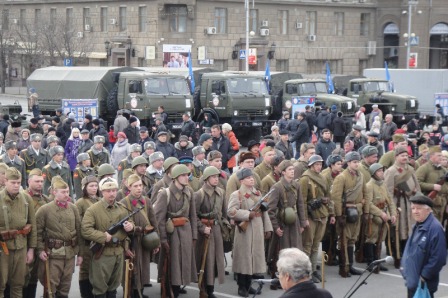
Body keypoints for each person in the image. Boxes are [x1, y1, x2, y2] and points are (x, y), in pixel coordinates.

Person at [81, 177, 135, 298]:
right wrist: (102, 236)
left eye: (114, 190)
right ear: (102, 192)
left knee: (113, 287)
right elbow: (85, 230)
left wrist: (131, 227)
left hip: (119, 252)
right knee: (100, 288)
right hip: (102, 253)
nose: (111, 193)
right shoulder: (93, 210)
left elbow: (131, 223)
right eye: (108, 191)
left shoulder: (122, 208)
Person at [227, 168, 273, 297]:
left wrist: (268, 228)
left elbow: (265, 213)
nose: (251, 179)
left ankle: (249, 285)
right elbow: (230, 211)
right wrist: (247, 214)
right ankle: (242, 286)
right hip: (245, 231)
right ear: (241, 180)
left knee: (254, 259)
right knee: (244, 259)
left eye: (251, 177)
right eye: (248, 178)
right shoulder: (237, 195)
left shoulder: (258, 193)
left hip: (257, 228)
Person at [154, 164, 198, 298]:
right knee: (171, 266)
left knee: (183, 263)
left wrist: (194, 235)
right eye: (183, 175)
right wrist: (162, 239)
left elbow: (193, 215)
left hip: (185, 232)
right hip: (171, 235)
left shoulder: (189, 192)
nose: (186, 178)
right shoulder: (164, 193)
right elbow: (159, 219)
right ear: (175, 177)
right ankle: (169, 290)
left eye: (187, 175)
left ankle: (177, 288)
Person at [35, 176, 82, 298]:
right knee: (50, 287)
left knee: (66, 286)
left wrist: (80, 254)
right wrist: (40, 250)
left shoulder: (73, 208)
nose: (66, 194)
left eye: (67, 191)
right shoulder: (44, 210)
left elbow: (79, 231)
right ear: (54, 192)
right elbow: (37, 232)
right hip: (53, 254)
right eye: (63, 192)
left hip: (70, 254)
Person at [267, 160, 307, 287]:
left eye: (293, 169)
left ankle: (292, 279)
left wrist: (302, 222)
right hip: (282, 223)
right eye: (289, 170)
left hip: (293, 222)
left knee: (294, 251)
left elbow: (301, 204)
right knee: (281, 252)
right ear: (283, 172)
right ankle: (277, 279)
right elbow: (271, 209)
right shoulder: (277, 187)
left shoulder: (297, 185)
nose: (292, 171)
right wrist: (275, 227)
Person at [0, 167, 37, 297]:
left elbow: (33, 226)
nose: (16, 185)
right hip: (2, 248)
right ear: (5, 181)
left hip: (21, 247)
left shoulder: (27, 199)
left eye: (18, 183)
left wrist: (31, 249)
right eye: (13, 182)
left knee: (18, 284)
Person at [120, 174, 159, 298]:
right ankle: (132, 293)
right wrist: (126, 247)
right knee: (132, 269)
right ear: (129, 187)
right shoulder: (124, 202)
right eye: (135, 186)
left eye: (140, 185)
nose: (139, 188)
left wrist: (156, 241)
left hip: (146, 240)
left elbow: (154, 221)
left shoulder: (146, 200)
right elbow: (123, 226)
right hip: (132, 241)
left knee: (144, 267)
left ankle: (140, 291)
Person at [401, 195, 447, 298]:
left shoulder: (435, 229)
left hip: (423, 285)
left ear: (428, 210)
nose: (415, 211)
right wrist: (404, 269)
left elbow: (439, 258)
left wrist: (424, 276)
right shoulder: (418, 225)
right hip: (412, 282)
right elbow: (409, 251)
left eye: (419, 208)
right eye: (413, 208)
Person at [384, 146, 421, 268]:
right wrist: (391, 208)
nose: (405, 157)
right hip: (397, 203)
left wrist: (418, 200)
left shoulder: (410, 169)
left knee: (408, 229)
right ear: (396, 157)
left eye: (406, 155)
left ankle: (406, 255)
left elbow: (417, 186)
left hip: (409, 202)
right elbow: (387, 191)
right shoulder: (391, 171)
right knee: (397, 230)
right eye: (402, 155)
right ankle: (395, 255)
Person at [194, 166, 227, 298]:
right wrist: (202, 228)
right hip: (205, 233)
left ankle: (211, 288)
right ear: (207, 179)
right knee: (205, 261)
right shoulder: (199, 194)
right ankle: (204, 289)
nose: (216, 179)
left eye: (217, 177)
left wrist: (225, 225)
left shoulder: (221, 192)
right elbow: (194, 216)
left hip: (216, 230)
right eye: (213, 177)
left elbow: (224, 213)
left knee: (215, 261)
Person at [299, 155, 334, 283]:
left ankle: (313, 270)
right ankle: (305, 272)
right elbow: (301, 201)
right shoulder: (305, 179)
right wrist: (303, 219)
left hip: (322, 214)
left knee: (315, 245)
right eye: (317, 164)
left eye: (320, 164)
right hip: (311, 215)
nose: (319, 166)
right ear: (311, 165)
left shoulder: (322, 178)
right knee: (307, 245)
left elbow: (328, 196)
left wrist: (332, 213)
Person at [331, 151, 365, 278]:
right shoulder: (341, 177)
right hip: (346, 213)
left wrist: (364, 210)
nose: (357, 164)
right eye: (354, 162)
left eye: (358, 162)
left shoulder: (360, 176)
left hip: (357, 211)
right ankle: (343, 267)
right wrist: (339, 215)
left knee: (352, 239)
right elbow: (336, 197)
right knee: (344, 240)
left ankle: (350, 265)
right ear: (349, 163)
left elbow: (364, 192)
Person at [364, 163, 397, 273]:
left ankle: (377, 262)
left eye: (382, 170)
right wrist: (380, 213)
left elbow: (390, 200)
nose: (382, 173)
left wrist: (393, 214)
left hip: (384, 215)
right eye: (379, 171)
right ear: (373, 173)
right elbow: (368, 203)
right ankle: (371, 263)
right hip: (374, 217)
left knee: (380, 239)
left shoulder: (383, 184)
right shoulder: (369, 186)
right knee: (372, 239)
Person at [22, 169, 50, 298]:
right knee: (25, 277)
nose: (40, 184)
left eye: (42, 181)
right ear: (29, 181)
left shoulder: (46, 199)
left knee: (45, 277)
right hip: (26, 243)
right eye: (37, 181)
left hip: (43, 243)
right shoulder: (23, 198)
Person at [75, 175, 99, 298]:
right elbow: (78, 224)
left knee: (97, 270)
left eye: (96, 185)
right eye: (91, 186)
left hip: (99, 241)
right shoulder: (80, 203)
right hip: (86, 243)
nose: (94, 188)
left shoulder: (100, 200)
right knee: (85, 271)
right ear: (85, 187)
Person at [416, 146, 448, 223]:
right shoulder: (424, 168)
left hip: (443, 202)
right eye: (438, 155)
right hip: (430, 202)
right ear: (431, 156)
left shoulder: (444, 170)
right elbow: (417, 183)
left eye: (442, 156)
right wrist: (432, 186)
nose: (441, 157)